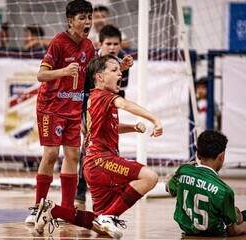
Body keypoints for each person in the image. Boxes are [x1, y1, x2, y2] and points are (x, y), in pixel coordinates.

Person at [34, 55, 162, 239]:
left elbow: (106, 128)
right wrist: (155, 120)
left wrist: (132, 128)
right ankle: (108, 217)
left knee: (99, 223)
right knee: (150, 177)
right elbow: (125, 104)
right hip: (101, 160)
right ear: (99, 78)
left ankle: (52, 210)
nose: (120, 73)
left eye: (120, 70)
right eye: (114, 70)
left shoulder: (96, 98)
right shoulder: (105, 96)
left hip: (93, 164)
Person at [25, 0, 95, 224]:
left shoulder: (89, 46)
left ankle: (66, 210)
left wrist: (119, 67)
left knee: (73, 155)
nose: (87, 22)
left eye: (89, 17)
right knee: (52, 154)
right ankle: (37, 207)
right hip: (51, 107)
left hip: (74, 108)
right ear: (70, 21)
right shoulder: (58, 42)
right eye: (82, 18)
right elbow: (40, 75)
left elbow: (92, 76)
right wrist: (63, 71)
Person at [166, 130, 246, 236]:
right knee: (232, 210)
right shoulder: (225, 191)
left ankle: (240, 215)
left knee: (222, 207)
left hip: (187, 229)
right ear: (222, 157)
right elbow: (232, 231)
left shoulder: (184, 170)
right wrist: (242, 228)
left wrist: (172, 179)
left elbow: (170, 189)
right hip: (214, 232)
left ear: (197, 154)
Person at [74, 25, 133, 209]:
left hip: (108, 108)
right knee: (89, 149)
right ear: (101, 43)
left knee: (111, 147)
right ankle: (80, 194)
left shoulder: (120, 63)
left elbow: (118, 89)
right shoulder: (92, 60)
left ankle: (111, 192)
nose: (113, 47)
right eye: (109, 43)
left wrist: (122, 69)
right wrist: (82, 116)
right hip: (90, 109)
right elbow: (84, 90)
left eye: (116, 44)